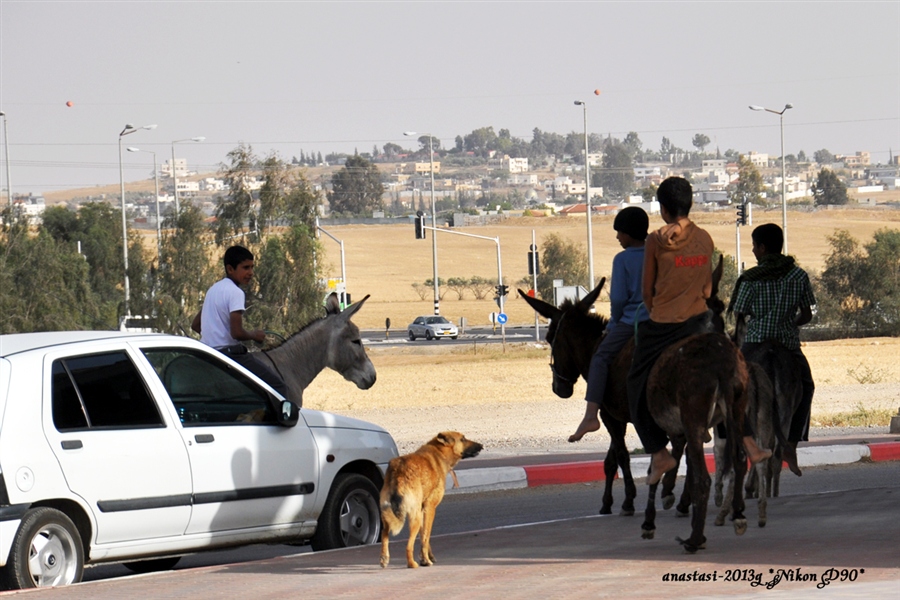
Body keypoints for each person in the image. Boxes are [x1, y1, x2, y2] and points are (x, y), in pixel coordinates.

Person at [626, 177, 770, 485]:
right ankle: (749, 443)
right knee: (733, 375)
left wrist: (656, 310)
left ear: (663, 209)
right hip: (701, 323)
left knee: (635, 382)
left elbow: (647, 290)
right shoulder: (705, 238)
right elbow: (707, 288)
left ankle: (659, 453)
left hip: (663, 326)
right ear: (689, 204)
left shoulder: (655, 240)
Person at [729, 223, 815, 476]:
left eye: (755, 246)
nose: (753, 251)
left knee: (732, 389)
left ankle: (733, 438)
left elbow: (740, 315)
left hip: (755, 341)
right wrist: (789, 324)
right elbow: (807, 314)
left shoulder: (750, 278)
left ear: (763, 248)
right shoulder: (798, 276)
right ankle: (791, 443)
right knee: (807, 386)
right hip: (788, 344)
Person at [569, 206, 650, 442]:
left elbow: (618, 298)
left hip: (631, 322)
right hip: (661, 321)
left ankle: (591, 415)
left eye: (619, 232)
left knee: (600, 357)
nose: (617, 237)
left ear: (628, 233)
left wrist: (613, 323)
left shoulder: (623, 259)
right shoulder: (658, 254)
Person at [191, 245, 289, 401]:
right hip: (229, 355)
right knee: (279, 387)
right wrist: (255, 335)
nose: (250, 273)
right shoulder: (236, 293)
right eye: (245, 268)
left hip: (208, 354)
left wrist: (213, 335)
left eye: (252, 267)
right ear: (230, 269)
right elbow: (236, 333)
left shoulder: (213, 290)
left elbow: (195, 325)